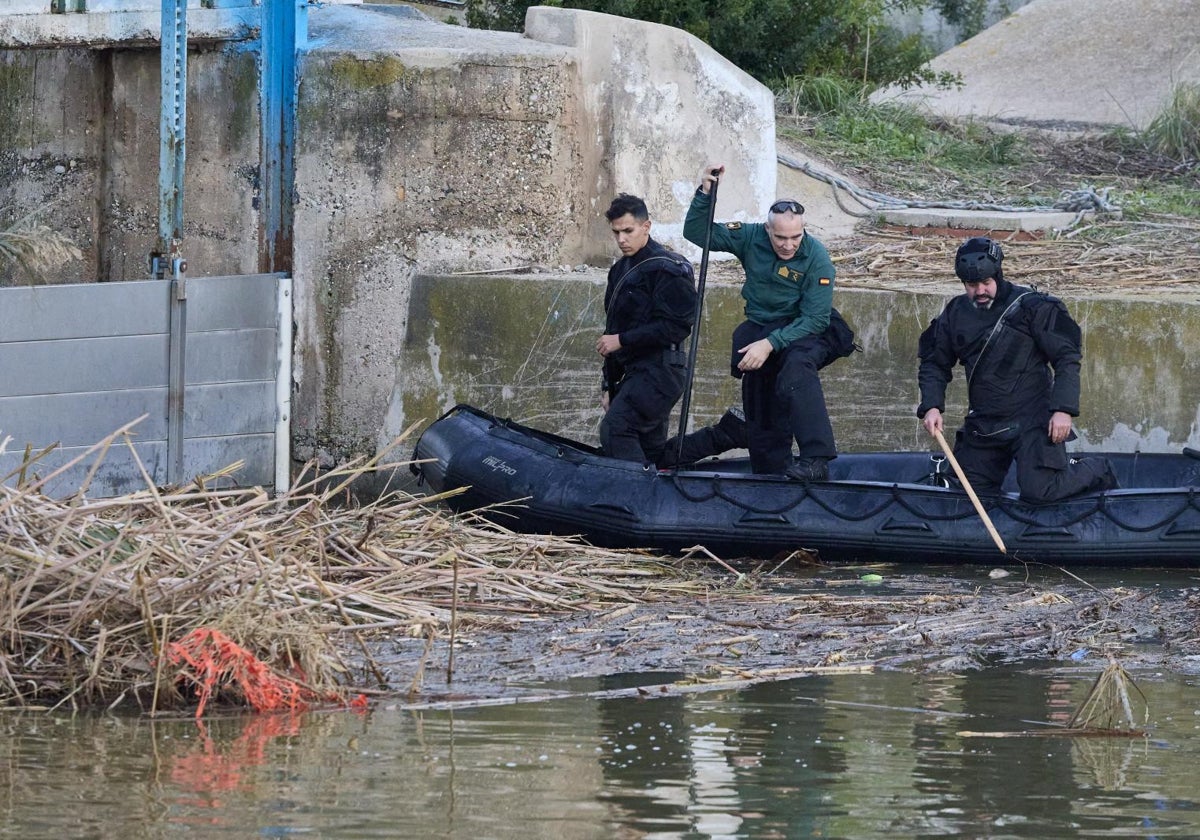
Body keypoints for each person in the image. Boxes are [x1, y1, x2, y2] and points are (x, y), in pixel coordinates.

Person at [679, 164, 854, 479]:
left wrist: (770, 344)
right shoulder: (750, 237)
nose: (788, 245)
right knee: (760, 402)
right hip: (762, 327)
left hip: (808, 329)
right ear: (767, 230)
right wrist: (705, 195)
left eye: (795, 237)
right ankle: (771, 476)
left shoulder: (817, 258)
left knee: (795, 369)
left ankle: (817, 459)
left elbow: (815, 318)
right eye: (781, 238)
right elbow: (696, 233)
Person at [917, 236, 1117, 502]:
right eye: (972, 285)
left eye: (986, 283)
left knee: (1040, 492)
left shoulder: (1034, 307)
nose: (980, 292)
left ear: (998, 276)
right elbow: (934, 362)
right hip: (985, 422)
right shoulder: (955, 313)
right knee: (963, 499)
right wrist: (932, 406)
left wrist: (1063, 410)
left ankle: (1097, 470)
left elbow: (1067, 357)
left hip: (1033, 421)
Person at [597, 193, 698, 464]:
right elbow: (613, 331)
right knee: (652, 451)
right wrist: (609, 386)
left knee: (616, 429)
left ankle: (634, 497)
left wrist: (623, 340)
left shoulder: (667, 268)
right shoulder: (619, 271)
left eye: (628, 231)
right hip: (636, 372)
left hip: (662, 371)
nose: (621, 240)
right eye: (616, 232)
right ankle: (729, 432)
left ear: (646, 226)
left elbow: (677, 327)